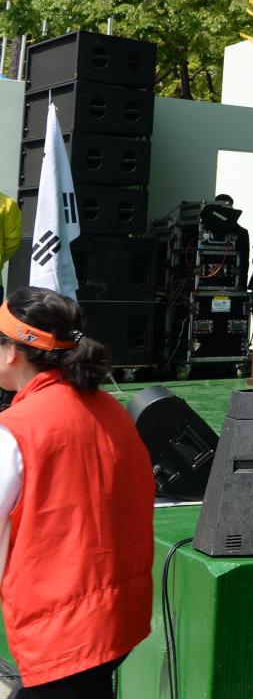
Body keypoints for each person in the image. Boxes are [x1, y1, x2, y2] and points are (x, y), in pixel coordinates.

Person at [0, 287, 154, 696]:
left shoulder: (19, 428)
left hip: (60, 629)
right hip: (116, 616)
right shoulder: (112, 412)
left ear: (12, 352)